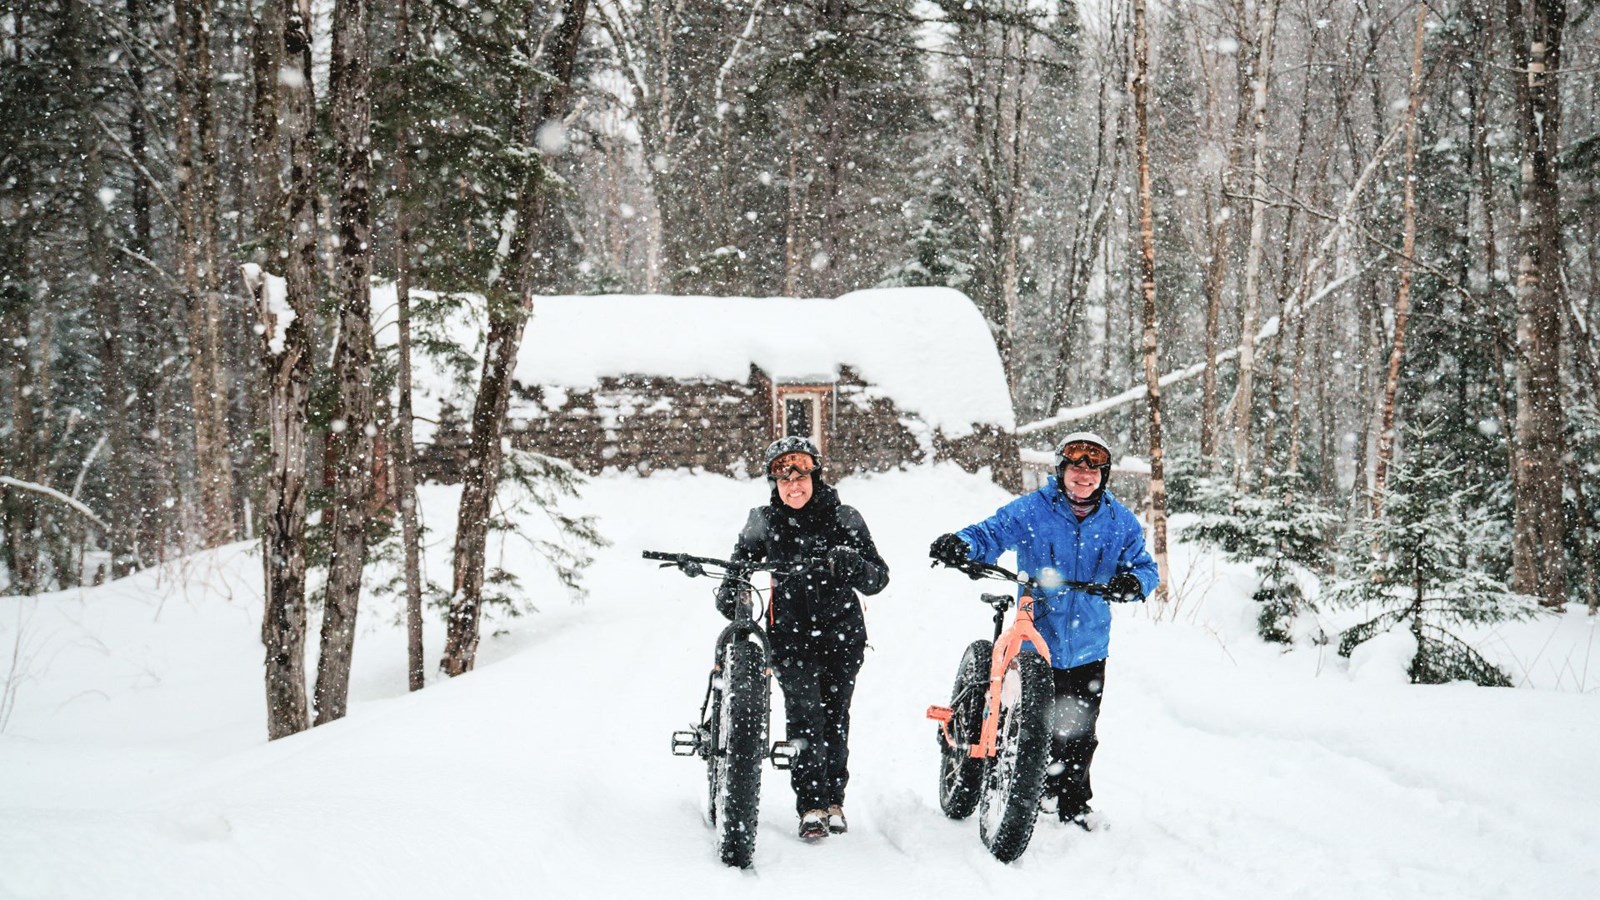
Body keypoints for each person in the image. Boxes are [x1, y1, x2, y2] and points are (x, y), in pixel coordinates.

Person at [929, 431, 1158, 830]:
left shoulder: (1120, 522)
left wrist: (1133, 583)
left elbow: (1144, 567)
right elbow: (989, 533)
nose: (1083, 476)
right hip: (1035, 632)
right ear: (1061, 470)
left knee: (1080, 730)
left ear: (1103, 476)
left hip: (1087, 641)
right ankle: (1013, 779)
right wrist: (961, 545)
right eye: (1075, 468)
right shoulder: (1034, 510)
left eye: (1093, 470)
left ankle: (1072, 803)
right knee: (1027, 722)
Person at [715, 436, 890, 841]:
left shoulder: (845, 518)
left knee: (834, 718)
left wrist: (854, 566)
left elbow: (878, 578)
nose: (794, 487)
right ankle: (811, 805)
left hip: (843, 636)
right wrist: (731, 592)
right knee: (805, 715)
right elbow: (738, 568)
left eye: (801, 478)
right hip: (790, 638)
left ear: (815, 476)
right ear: (774, 483)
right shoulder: (763, 521)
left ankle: (834, 801)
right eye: (783, 480)